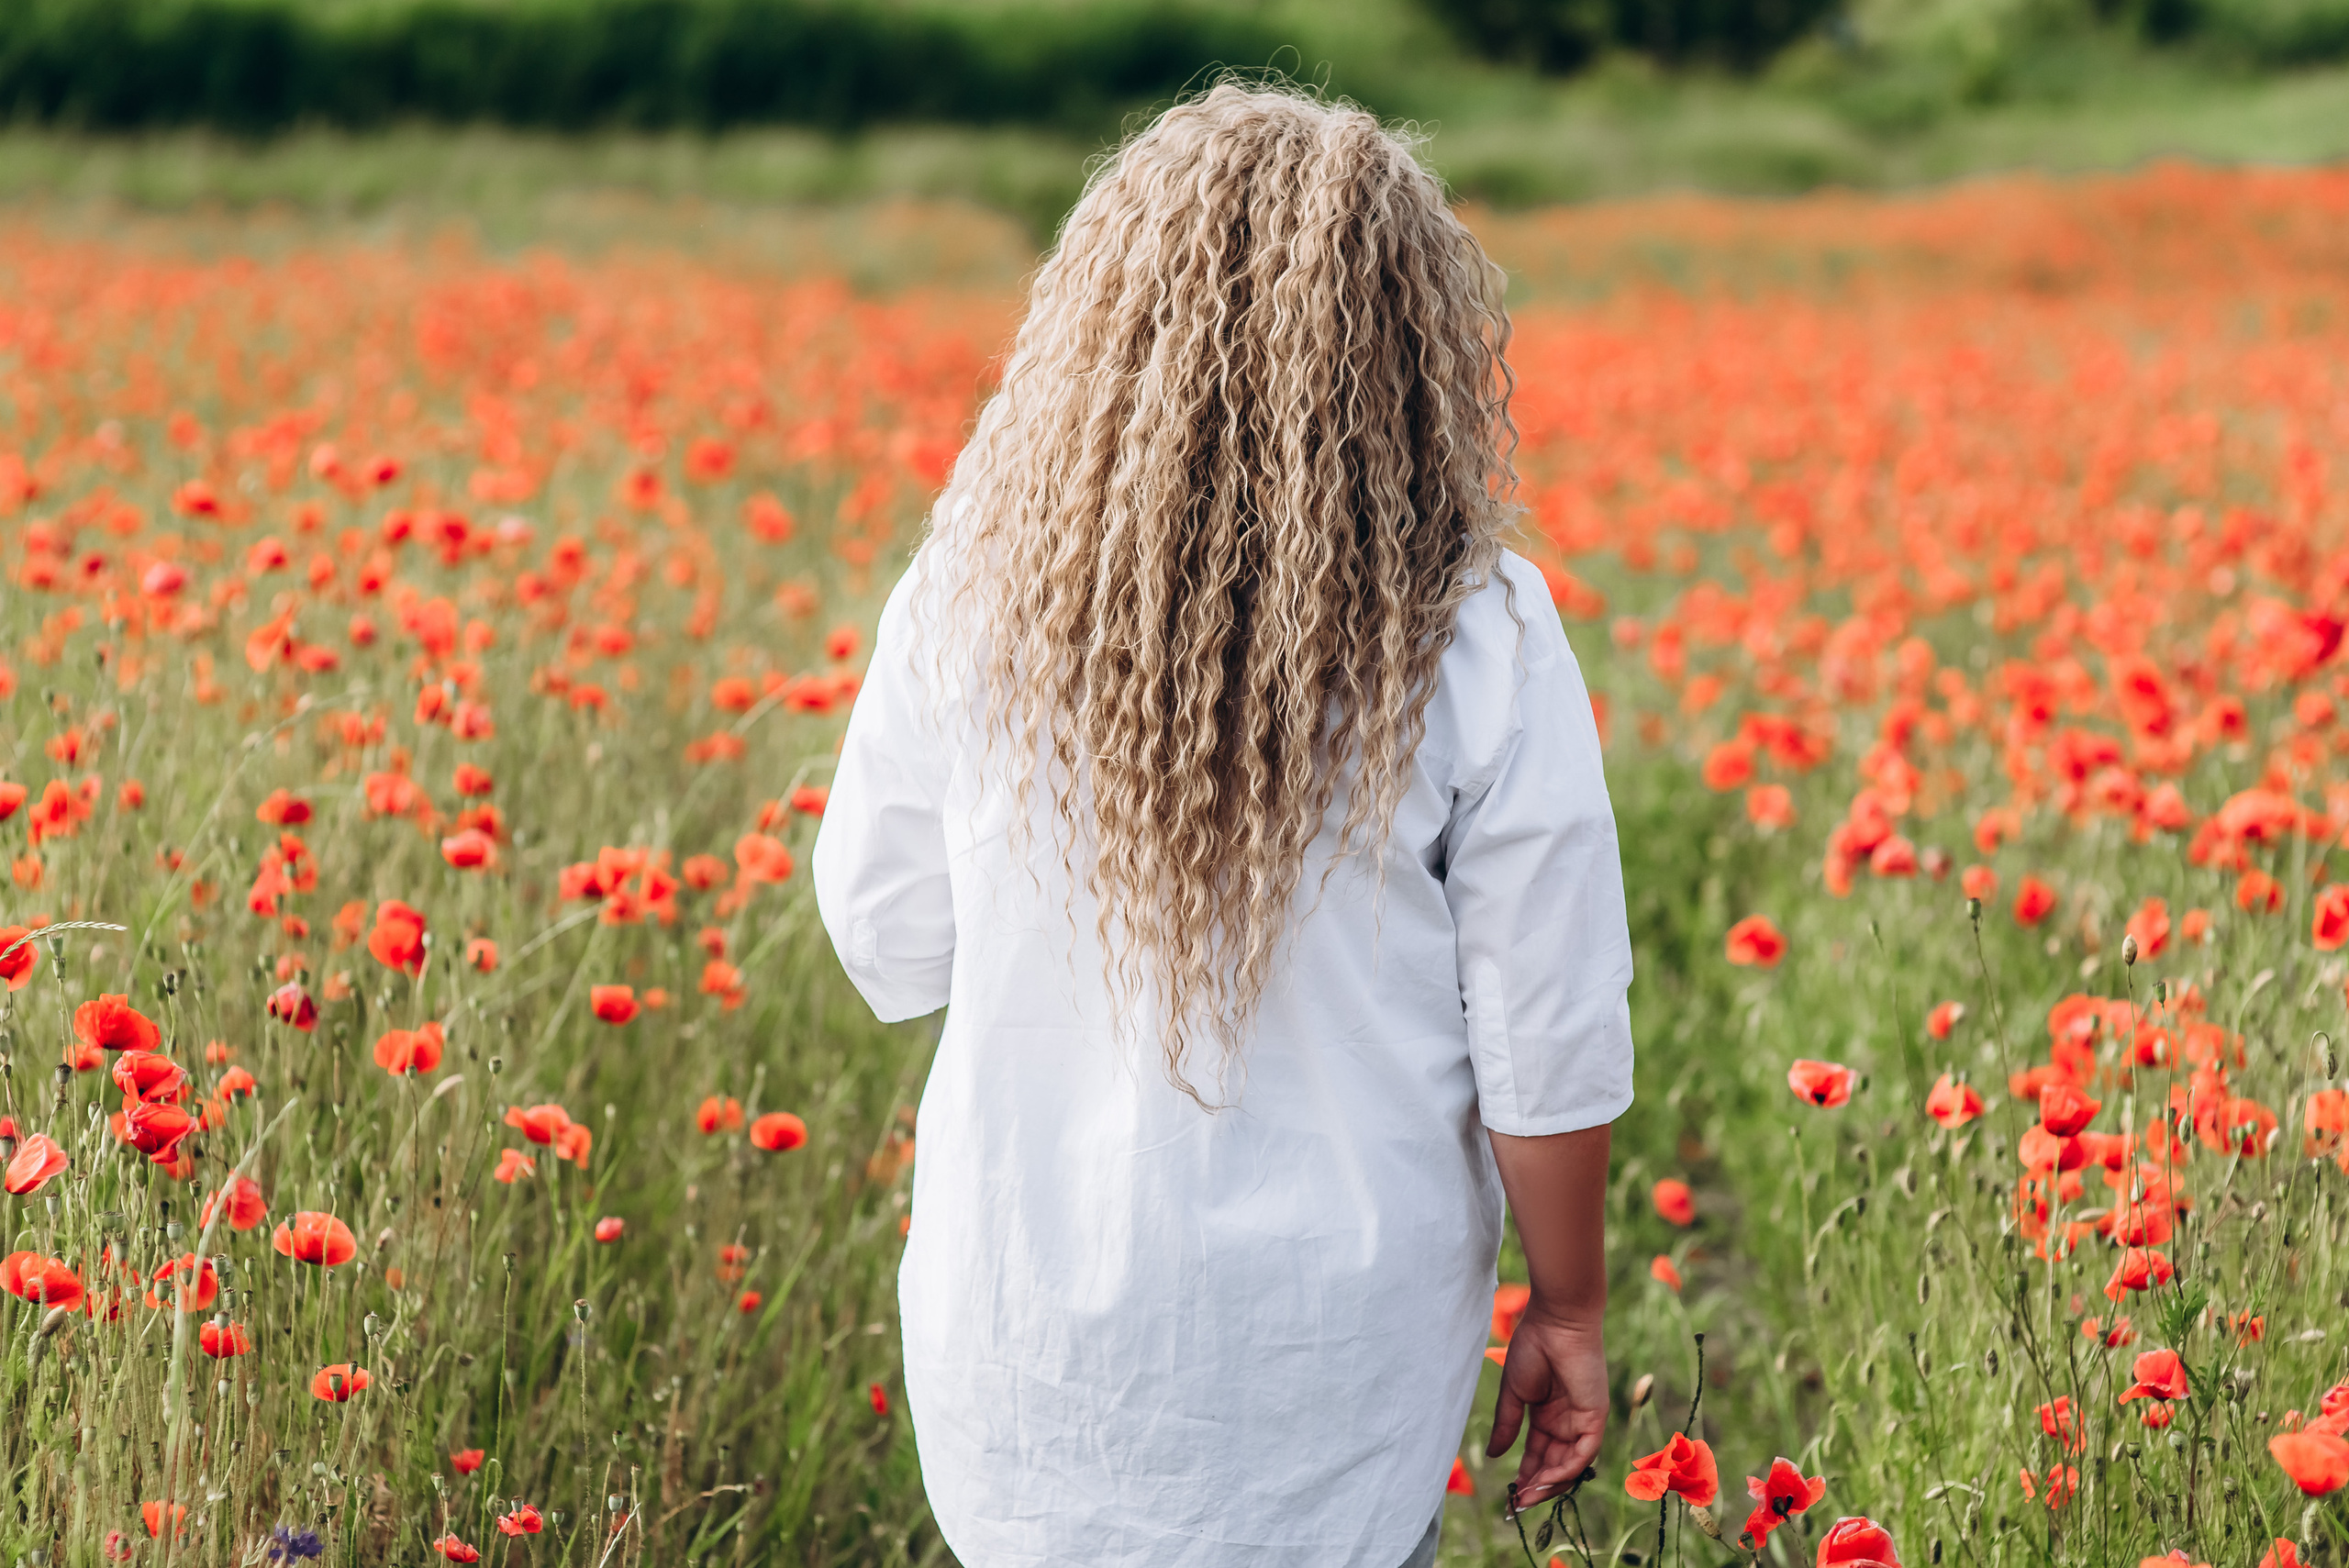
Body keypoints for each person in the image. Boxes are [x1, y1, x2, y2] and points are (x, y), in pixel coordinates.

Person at [812, 81, 1633, 1568]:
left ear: (1108, 334)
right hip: (1339, 1369)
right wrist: (1567, 1308)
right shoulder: (1480, 632)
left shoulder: (975, 600)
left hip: (1033, 1351)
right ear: (1406, 353)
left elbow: (887, 942)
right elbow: (1549, 1029)